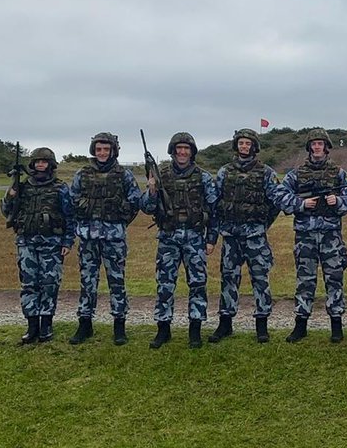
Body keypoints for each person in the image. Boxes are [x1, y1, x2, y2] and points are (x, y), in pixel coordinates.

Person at [141, 132, 219, 350]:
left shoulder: (203, 177)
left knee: (198, 284)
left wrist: (211, 239)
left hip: (195, 237)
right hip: (168, 237)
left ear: (192, 151)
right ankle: (163, 329)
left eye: (186, 148)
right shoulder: (161, 175)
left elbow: (214, 211)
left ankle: (195, 330)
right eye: (179, 148)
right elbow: (146, 208)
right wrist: (152, 190)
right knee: (165, 285)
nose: (182, 152)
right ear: (173, 151)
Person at [278, 129, 347, 344]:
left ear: (326, 146)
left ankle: (336, 326)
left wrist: (337, 202)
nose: (317, 147)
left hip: (331, 235)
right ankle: (301, 325)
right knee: (305, 280)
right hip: (305, 235)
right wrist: (301, 204)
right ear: (309, 147)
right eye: (314, 144)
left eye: (321, 143)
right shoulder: (297, 174)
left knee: (334, 279)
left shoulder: (338, 173)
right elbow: (280, 196)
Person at [68, 132, 143, 346]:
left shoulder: (123, 175)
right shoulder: (82, 174)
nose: (102, 153)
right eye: (99, 149)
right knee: (87, 282)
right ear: (94, 150)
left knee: (117, 281)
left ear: (113, 151)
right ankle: (85, 324)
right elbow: (72, 200)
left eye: (106, 149)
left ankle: (119, 325)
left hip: (114, 238)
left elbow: (134, 201)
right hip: (88, 238)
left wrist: (120, 222)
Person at [210, 128, 282, 344]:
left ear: (254, 146)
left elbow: (275, 202)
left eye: (247, 143)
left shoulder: (266, 172)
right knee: (229, 279)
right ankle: (225, 323)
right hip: (231, 236)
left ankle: (262, 324)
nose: (244, 147)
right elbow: (215, 202)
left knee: (260, 279)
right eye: (241, 143)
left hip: (255, 236)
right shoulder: (224, 171)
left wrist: (262, 224)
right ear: (236, 145)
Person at [1, 146, 74, 345]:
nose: (40, 165)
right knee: (29, 284)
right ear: (32, 164)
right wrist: (11, 195)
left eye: (44, 162)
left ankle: (46, 325)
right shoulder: (22, 187)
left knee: (50, 284)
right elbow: (6, 210)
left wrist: (68, 241)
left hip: (52, 244)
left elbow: (70, 216)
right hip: (26, 243)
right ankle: (32, 325)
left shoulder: (60, 188)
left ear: (51, 165)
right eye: (37, 162)